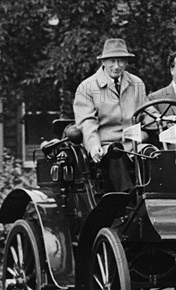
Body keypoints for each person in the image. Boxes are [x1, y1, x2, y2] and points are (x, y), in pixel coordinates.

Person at [73, 38, 150, 192]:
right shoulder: (87, 87)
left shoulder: (137, 84)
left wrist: (162, 122)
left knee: (153, 154)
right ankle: (127, 199)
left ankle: (158, 200)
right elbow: (87, 122)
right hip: (107, 147)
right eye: (112, 61)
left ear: (127, 62)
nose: (116, 66)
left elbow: (147, 112)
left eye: (121, 61)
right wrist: (93, 146)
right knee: (117, 154)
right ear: (103, 62)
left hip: (134, 144)